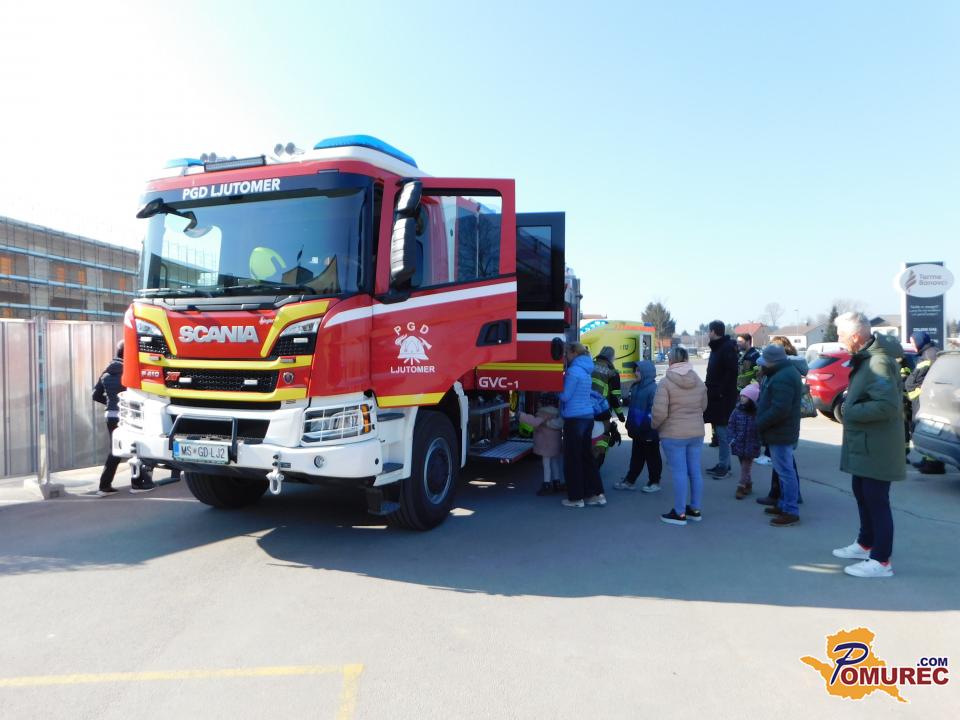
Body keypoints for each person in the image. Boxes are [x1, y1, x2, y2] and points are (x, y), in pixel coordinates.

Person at [830, 312, 904, 578]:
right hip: (865, 443)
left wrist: (850, 411)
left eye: (841, 335)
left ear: (855, 336)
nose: (839, 340)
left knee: (876, 500)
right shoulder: (866, 358)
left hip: (878, 446)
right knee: (862, 492)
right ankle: (865, 544)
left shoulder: (878, 362)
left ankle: (881, 561)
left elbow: (887, 406)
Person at [652, 346, 708, 526]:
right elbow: (704, 406)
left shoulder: (665, 382)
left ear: (670, 361)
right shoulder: (698, 380)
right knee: (695, 472)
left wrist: (654, 426)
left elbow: (659, 412)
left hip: (673, 433)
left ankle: (679, 512)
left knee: (679, 472)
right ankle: (695, 509)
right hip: (696, 432)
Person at [93, 341, 157, 496]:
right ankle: (137, 484)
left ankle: (104, 486)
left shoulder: (106, 372)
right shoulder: (129, 372)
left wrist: (111, 403)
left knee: (114, 450)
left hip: (111, 415)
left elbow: (95, 395)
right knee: (137, 448)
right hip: (130, 414)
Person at [755, 343, 803, 526]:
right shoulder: (781, 373)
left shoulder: (783, 377)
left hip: (781, 432)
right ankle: (784, 504)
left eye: (765, 362)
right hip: (780, 431)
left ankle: (790, 510)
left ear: (773, 361)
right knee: (783, 470)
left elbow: (780, 409)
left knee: (785, 472)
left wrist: (760, 423)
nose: (762, 365)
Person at [558, 343, 605, 508]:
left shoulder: (573, 371)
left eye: (566, 353)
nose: (565, 356)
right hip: (587, 417)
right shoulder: (586, 370)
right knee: (587, 457)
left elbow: (565, 396)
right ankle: (596, 494)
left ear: (573, 353)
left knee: (573, 459)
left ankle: (576, 498)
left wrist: (555, 388)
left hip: (574, 418)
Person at [614, 360, 662, 492]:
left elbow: (653, 412)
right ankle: (630, 481)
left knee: (652, 457)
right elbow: (633, 409)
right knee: (636, 457)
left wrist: (645, 426)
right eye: (635, 370)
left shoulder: (654, 389)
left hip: (649, 431)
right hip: (638, 431)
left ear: (647, 372)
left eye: (639, 370)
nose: (636, 373)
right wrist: (630, 424)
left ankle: (654, 482)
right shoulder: (636, 387)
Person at [905, 331, 945, 474]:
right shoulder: (928, 353)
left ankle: (934, 464)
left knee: (929, 430)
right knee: (924, 429)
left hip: (926, 400)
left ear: (920, 341)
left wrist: (914, 390)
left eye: (913, 342)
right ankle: (928, 459)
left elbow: (916, 379)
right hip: (923, 399)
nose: (912, 345)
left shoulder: (929, 355)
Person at [704, 320, 739, 479]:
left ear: (713, 332)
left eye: (709, 331)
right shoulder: (717, 348)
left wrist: (720, 392)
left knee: (723, 433)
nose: (708, 334)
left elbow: (731, 373)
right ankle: (723, 463)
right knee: (719, 432)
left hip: (723, 398)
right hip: (716, 397)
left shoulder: (726, 348)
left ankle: (724, 467)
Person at [518, 404, 564, 496]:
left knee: (546, 464)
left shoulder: (543, 414)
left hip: (546, 445)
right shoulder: (557, 415)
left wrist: (521, 415)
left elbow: (534, 422)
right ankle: (557, 483)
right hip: (555, 445)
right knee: (555, 463)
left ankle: (546, 484)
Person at [591, 346, 624, 464]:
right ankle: (595, 465)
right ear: (611, 357)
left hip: (584, 409)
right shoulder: (612, 372)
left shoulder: (590, 365)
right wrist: (621, 416)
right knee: (601, 439)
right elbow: (615, 397)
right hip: (602, 411)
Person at [729, 382, 761, 499]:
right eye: (742, 396)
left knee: (746, 465)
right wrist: (731, 438)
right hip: (738, 442)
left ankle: (740, 486)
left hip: (751, 443)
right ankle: (748, 483)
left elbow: (760, 427)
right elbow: (731, 424)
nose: (742, 398)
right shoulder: (737, 411)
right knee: (743, 465)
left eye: (745, 396)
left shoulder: (757, 413)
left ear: (752, 399)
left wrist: (760, 440)